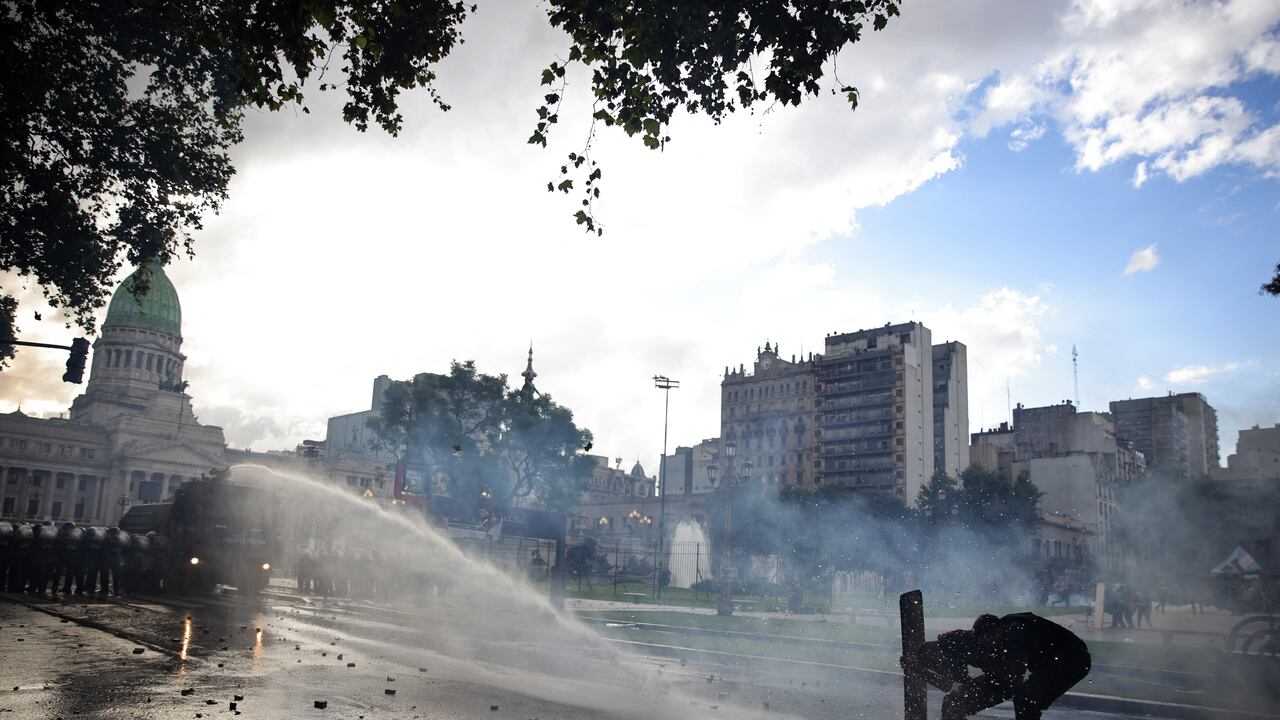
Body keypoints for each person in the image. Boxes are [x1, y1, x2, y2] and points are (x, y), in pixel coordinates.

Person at [912, 612, 1091, 720]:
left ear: (1000, 631)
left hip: (1072, 660)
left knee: (1026, 700)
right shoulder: (963, 642)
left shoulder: (1016, 634)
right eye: (983, 642)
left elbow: (1014, 681)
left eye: (992, 641)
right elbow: (951, 685)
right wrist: (917, 668)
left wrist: (995, 674)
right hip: (1010, 673)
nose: (988, 645)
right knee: (954, 702)